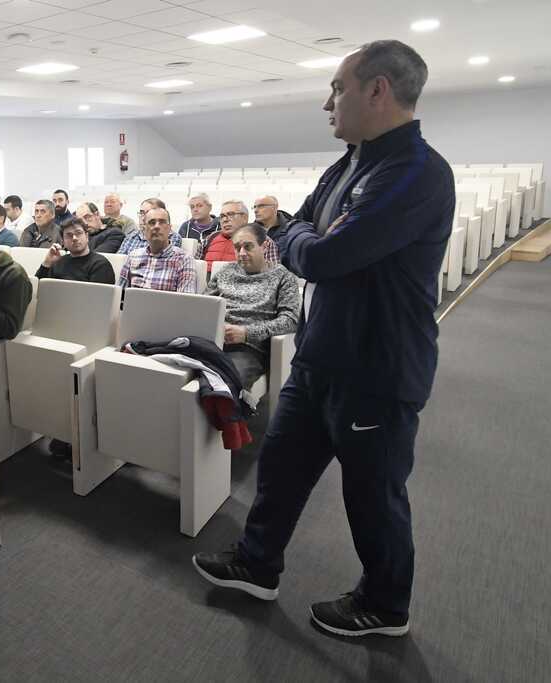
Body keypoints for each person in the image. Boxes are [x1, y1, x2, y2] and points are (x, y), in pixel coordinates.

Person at [192, 40, 454, 639]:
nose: (327, 103)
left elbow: (320, 255)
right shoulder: (348, 163)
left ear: (377, 90)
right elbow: (290, 226)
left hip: (377, 367)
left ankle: (385, 604)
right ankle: (257, 563)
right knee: (281, 466)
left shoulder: (416, 172)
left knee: (372, 495)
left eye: (337, 88)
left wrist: (309, 239)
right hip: (321, 354)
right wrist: (309, 235)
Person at [203, 223, 299, 389]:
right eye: (237, 248)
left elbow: (290, 321)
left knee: (221, 385)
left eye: (248, 247)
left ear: (264, 246)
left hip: (248, 348)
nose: (241, 253)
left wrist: (246, 333)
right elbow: (204, 304)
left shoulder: (283, 277)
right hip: (213, 340)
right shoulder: (226, 271)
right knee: (176, 370)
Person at [118, 207, 196, 293]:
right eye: (152, 222)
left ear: (170, 229)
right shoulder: (133, 256)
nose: (157, 226)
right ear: (144, 229)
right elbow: (119, 294)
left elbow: (185, 299)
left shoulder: (184, 260)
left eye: (162, 222)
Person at [36, 218, 114, 284]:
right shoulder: (58, 262)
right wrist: (47, 263)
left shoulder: (100, 264)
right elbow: (37, 289)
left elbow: (99, 295)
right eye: (69, 235)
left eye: (78, 233)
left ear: (87, 236)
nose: (74, 238)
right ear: (63, 242)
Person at [204, 201, 280, 268]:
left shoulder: (262, 239)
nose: (225, 220)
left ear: (245, 218)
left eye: (230, 214)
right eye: (222, 216)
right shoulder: (210, 238)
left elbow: (273, 273)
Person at [117, 198, 182, 254]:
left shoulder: (172, 237)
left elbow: (164, 260)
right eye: (141, 213)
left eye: (149, 213)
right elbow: (119, 260)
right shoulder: (131, 236)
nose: (143, 218)